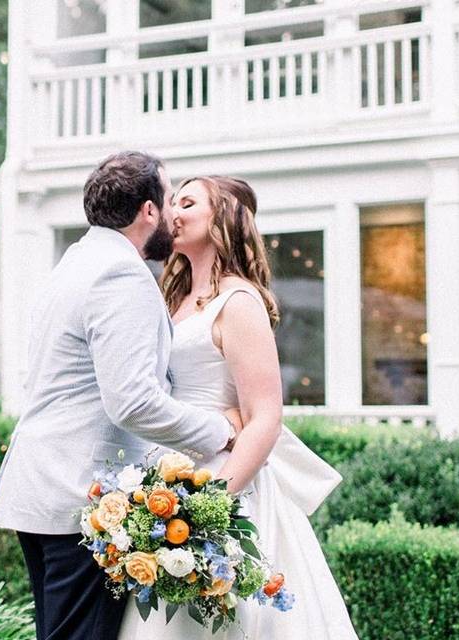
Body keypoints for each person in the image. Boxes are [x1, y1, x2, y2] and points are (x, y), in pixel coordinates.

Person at [0, 152, 242, 640]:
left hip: (44, 487)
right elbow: (132, 402)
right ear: (148, 210)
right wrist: (221, 429)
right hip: (76, 495)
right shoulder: (120, 274)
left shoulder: (75, 262)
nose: (174, 215)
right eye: (169, 201)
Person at [118, 175, 358, 639]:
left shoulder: (239, 302)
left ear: (222, 218)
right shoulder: (173, 301)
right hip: (164, 476)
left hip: (224, 482)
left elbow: (266, 416)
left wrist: (210, 507)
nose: (174, 213)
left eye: (187, 203)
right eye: (172, 203)